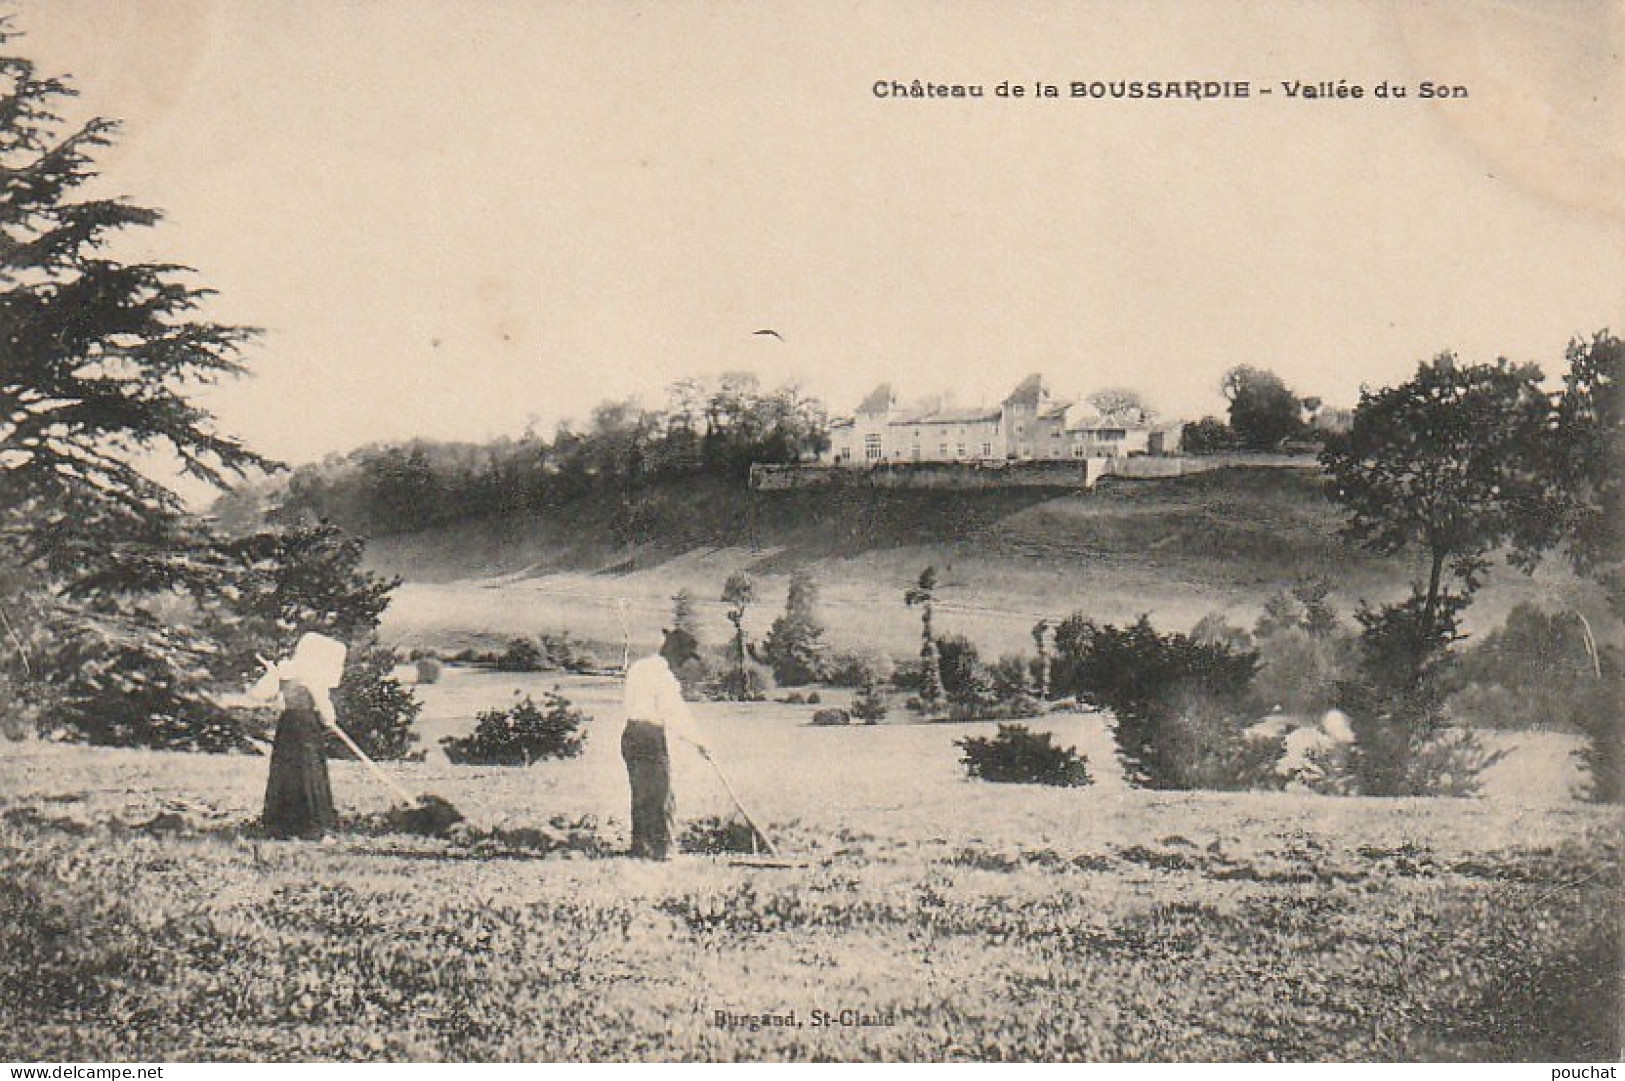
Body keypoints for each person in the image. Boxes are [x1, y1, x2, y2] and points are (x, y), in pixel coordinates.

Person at [247, 633, 347, 839]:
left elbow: (259, 694)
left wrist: (272, 674)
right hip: (306, 726)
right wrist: (329, 719)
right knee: (309, 772)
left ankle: (282, 825)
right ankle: (313, 826)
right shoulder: (312, 675)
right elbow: (323, 704)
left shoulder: (287, 671)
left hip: (287, 726)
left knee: (287, 772)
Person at [621, 629, 706, 860]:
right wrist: (699, 742)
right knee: (660, 792)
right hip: (649, 736)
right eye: (683, 659)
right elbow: (675, 713)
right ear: (676, 655)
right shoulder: (664, 678)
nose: (683, 665)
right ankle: (662, 849)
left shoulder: (639, 667)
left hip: (630, 734)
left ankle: (641, 846)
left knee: (641, 793)